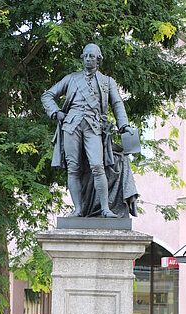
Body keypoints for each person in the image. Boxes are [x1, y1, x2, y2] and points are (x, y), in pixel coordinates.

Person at [41, 43, 136, 218]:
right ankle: (78, 209)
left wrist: (124, 125)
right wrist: (56, 113)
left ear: (98, 59)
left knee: (97, 166)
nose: (88, 59)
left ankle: (105, 209)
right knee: (73, 169)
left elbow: (117, 104)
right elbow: (47, 95)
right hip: (71, 126)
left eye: (91, 56)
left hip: (94, 127)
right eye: (85, 56)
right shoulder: (71, 78)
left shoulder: (107, 82)